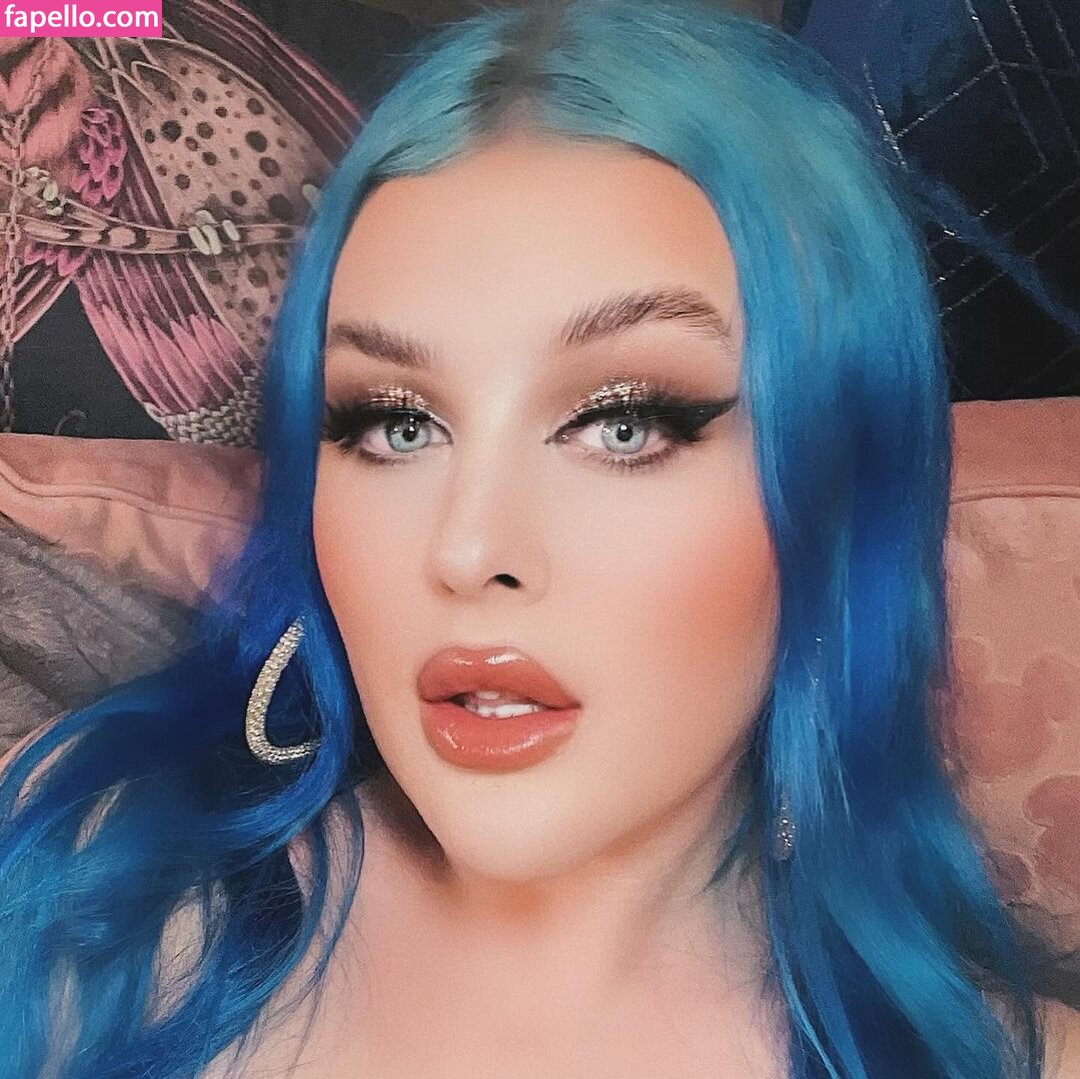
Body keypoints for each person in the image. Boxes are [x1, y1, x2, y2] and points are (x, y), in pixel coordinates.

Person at [1, 1, 1077, 1076]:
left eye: (624, 423)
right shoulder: (79, 917)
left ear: (838, 494)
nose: (467, 551)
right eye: (396, 423)